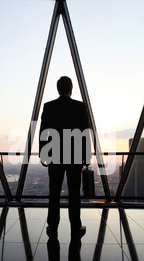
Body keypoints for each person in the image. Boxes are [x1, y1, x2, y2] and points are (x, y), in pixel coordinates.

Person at [39, 76, 91, 240]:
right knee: (74, 193)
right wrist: (86, 156)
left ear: (58, 89)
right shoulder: (80, 106)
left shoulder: (49, 107)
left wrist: (43, 154)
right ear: (71, 89)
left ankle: (52, 227)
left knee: (54, 192)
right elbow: (85, 133)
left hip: (55, 156)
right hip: (74, 156)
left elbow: (43, 133)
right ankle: (76, 226)